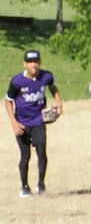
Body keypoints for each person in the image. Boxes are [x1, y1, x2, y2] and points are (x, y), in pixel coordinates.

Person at [5, 49, 62, 197]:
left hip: (38, 121)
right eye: (30, 62)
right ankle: (24, 188)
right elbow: (8, 101)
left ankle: (41, 184)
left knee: (42, 152)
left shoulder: (46, 76)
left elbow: (52, 87)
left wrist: (59, 103)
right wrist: (13, 123)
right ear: (25, 64)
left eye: (36, 62)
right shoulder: (17, 81)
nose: (34, 65)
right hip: (22, 123)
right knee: (25, 156)